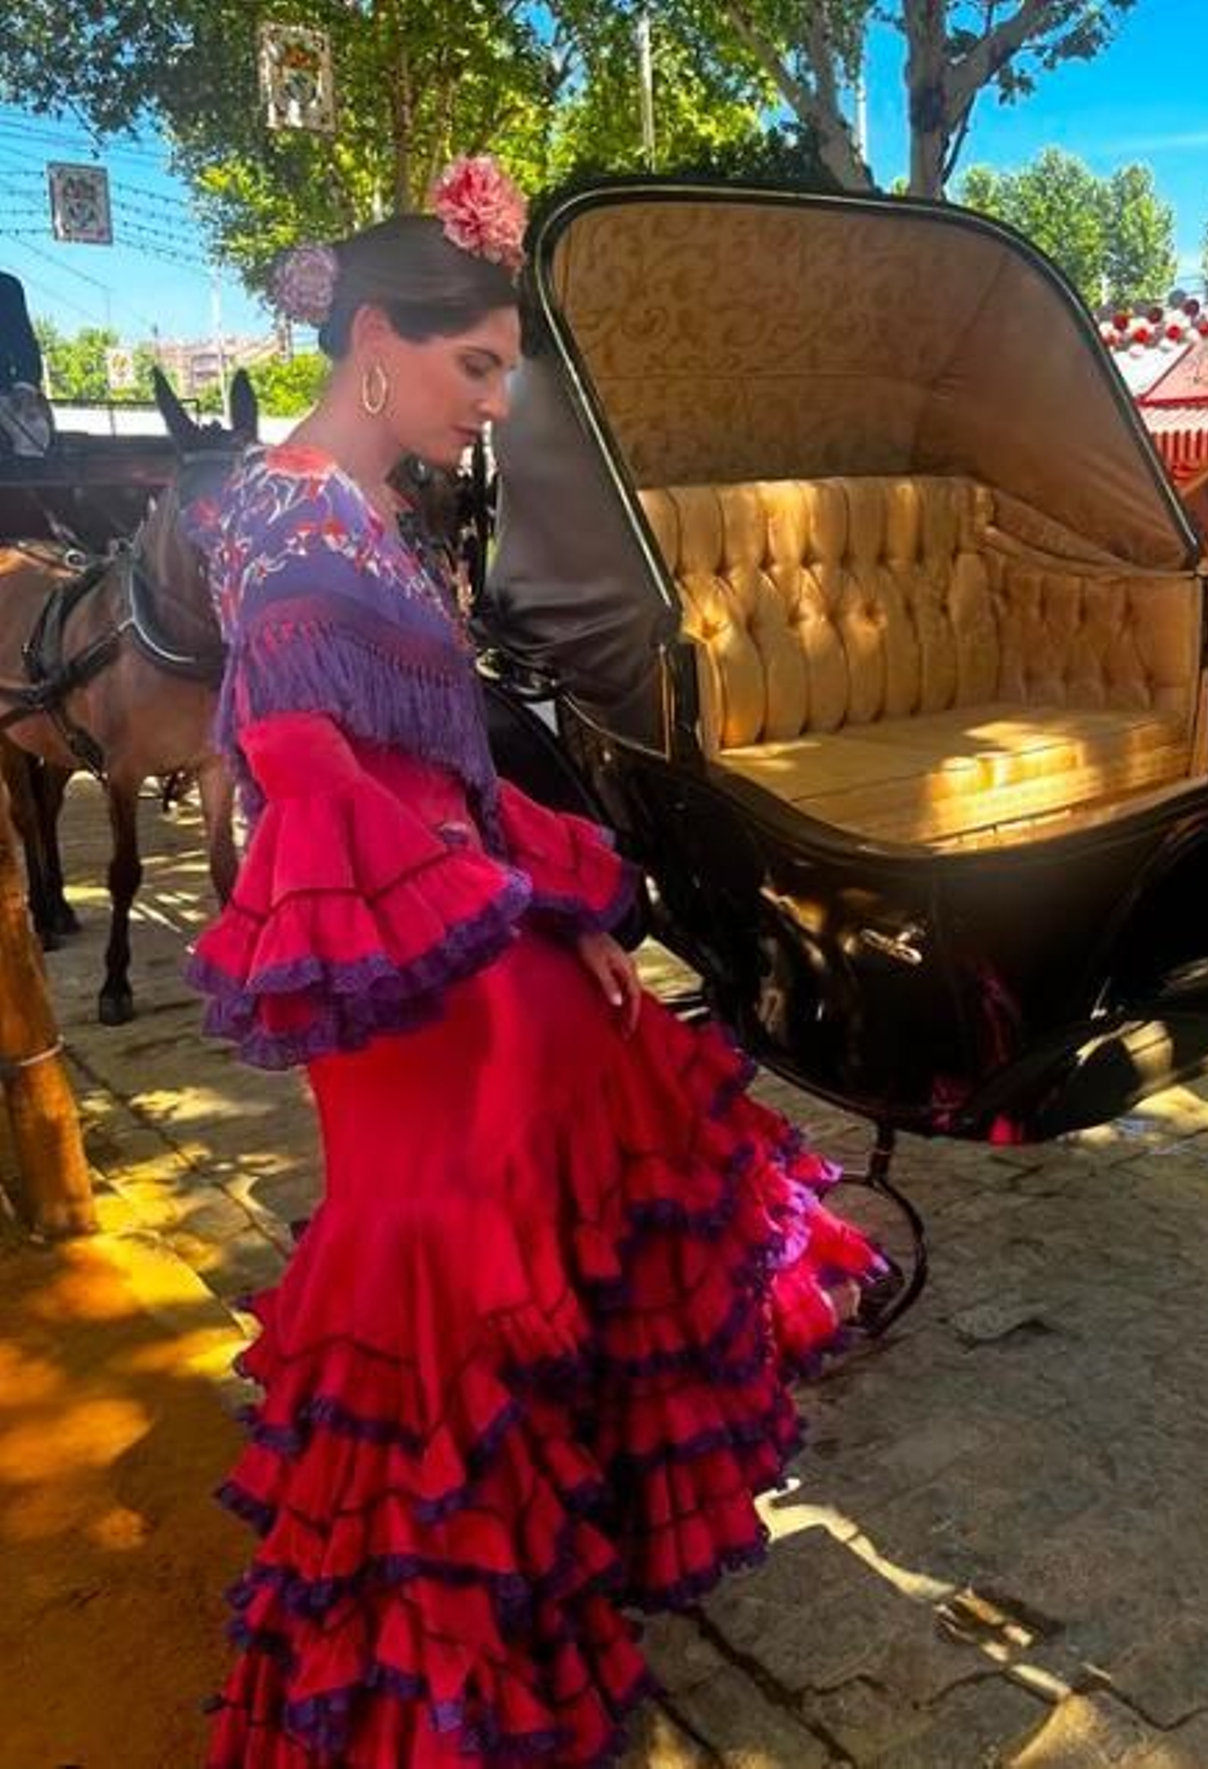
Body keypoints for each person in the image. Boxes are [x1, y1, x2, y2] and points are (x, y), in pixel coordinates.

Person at [185, 157, 881, 1767]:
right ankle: (418, 1680)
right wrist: (508, 920)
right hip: (404, 979)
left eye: (507, 370)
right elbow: (311, 773)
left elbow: (466, 774)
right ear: (376, 340)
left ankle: (567, 1563)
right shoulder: (278, 514)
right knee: (446, 1288)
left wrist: (563, 912)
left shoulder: (370, 506)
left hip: (476, 932)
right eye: (475, 366)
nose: (494, 403)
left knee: (604, 1167)